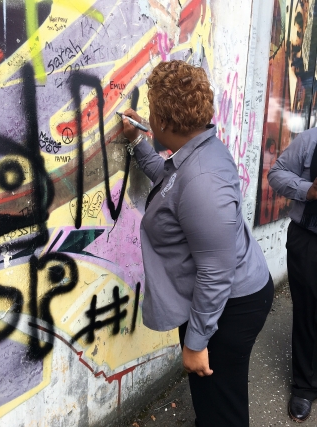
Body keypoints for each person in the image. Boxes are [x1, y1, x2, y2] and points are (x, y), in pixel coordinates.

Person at [121, 60, 273, 427]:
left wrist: (196, 342)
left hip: (229, 307)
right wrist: (139, 142)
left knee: (222, 407)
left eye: (153, 113)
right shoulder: (197, 152)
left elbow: (215, 272)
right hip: (222, 302)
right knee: (214, 399)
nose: (150, 118)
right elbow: (173, 186)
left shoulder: (203, 179)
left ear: (165, 123)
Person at [268, 127, 317, 423]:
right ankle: (304, 385)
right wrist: (309, 190)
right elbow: (277, 174)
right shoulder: (311, 140)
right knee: (308, 312)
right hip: (309, 239)